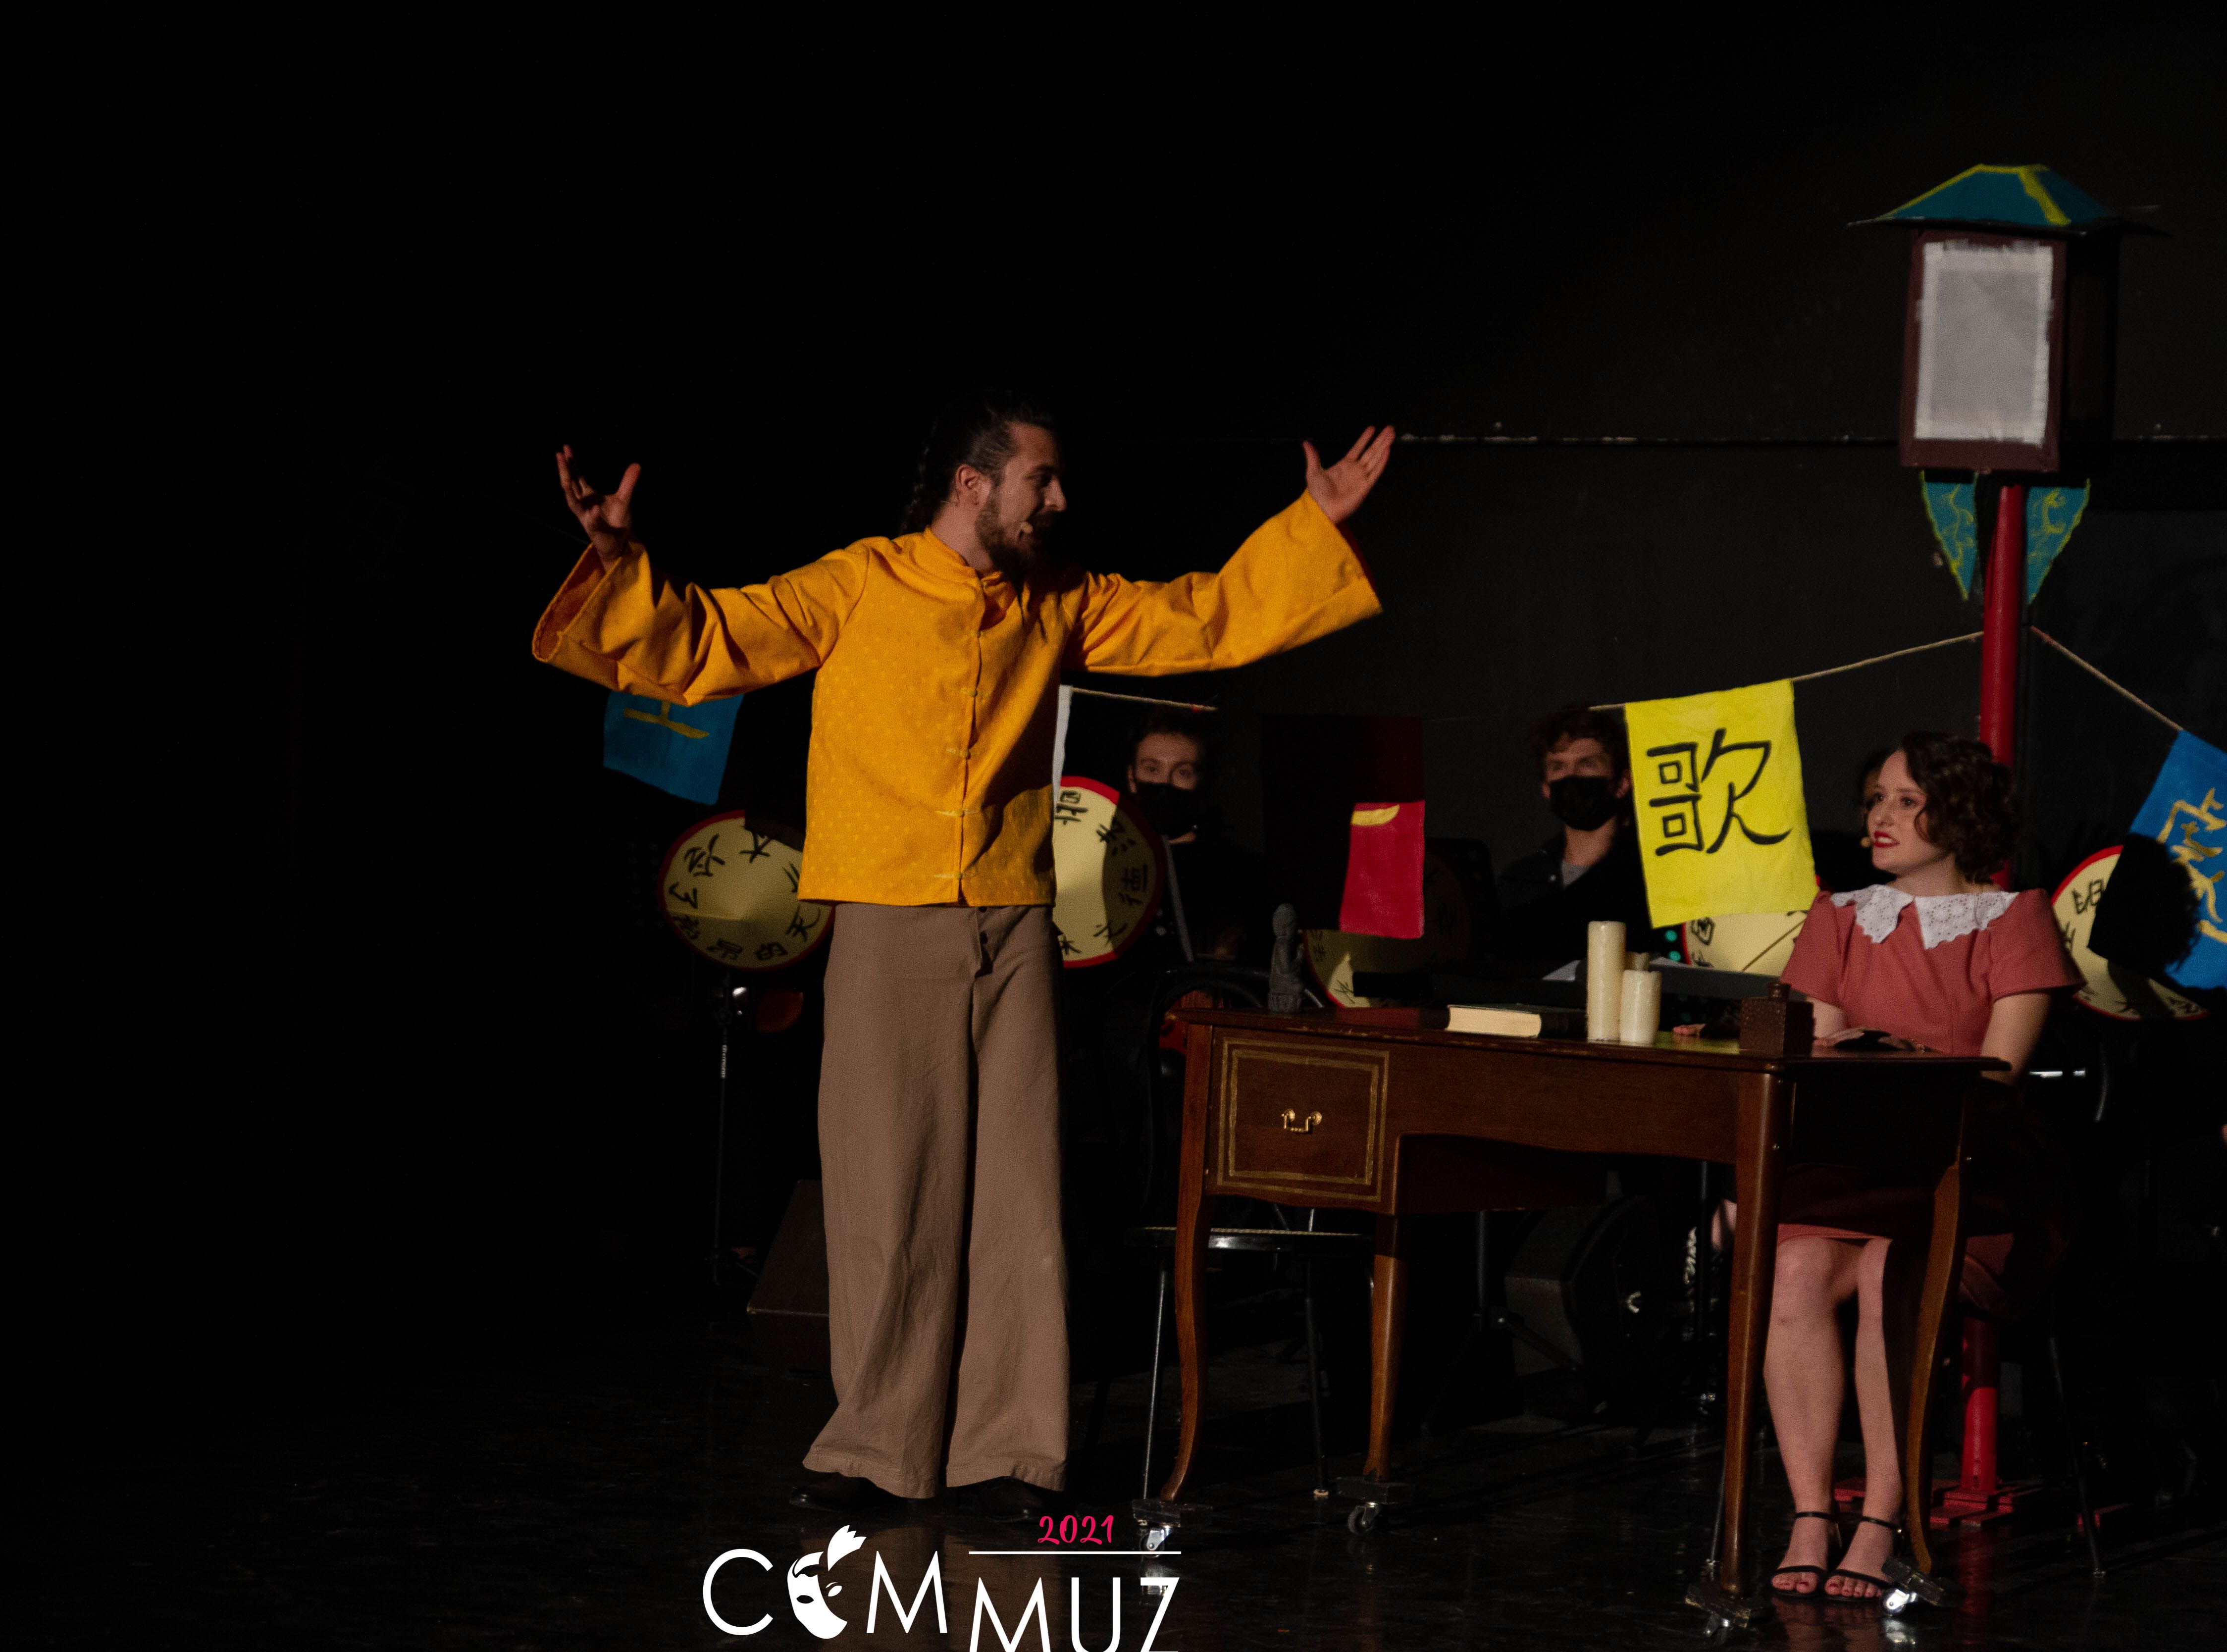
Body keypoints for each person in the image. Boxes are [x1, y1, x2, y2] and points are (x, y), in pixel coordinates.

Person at [539, 393, 1394, 1520]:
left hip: (1010, 916)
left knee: (1016, 1192)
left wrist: (1313, 525)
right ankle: (877, 1446)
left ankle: (1010, 1450)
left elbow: (1203, 617)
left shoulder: (1058, 597)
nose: (1060, 498)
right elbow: (708, 640)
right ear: (970, 484)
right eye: (1041, 478)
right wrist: (617, 559)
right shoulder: (858, 581)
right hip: (891, 914)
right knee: (886, 1181)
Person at [1746, 732, 2079, 1601]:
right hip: (1858, 1163)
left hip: (1968, 1166)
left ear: (1958, 813)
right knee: (1791, 1267)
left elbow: (1999, 1078)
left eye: (1904, 800)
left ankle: (1883, 1520)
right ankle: (1810, 1513)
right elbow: (1816, 1051)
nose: (1879, 818)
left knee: (1891, 1267)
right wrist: (1848, 1053)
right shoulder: (1839, 916)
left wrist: (1903, 1058)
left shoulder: (2013, 917)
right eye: (1874, 801)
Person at [1491, 702, 1657, 964]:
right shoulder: (1520, 881)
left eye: (1587, 764)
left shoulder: (1651, 877)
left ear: (1623, 783)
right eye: (1558, 767)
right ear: (1546, 789)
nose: (1572, 777)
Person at [1124, 711, 1270, 964]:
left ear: (1202, 781)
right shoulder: (1107, 864)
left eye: (1183, 772)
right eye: (1152, 769)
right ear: (1132, 778)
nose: (1165, 783)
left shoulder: (1242, 872)